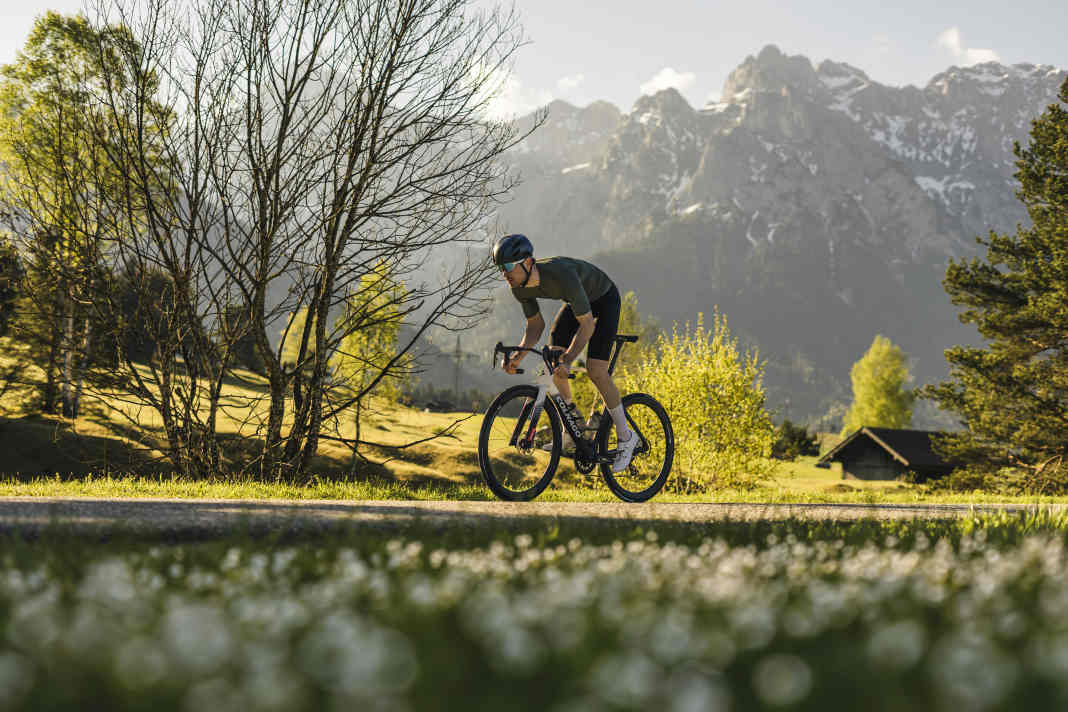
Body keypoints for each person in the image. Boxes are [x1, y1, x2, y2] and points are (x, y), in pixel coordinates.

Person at [493, 233, 637, 473]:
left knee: (596, 370)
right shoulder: (519, 287)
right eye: (500, 268)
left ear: (528, 262)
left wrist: (569, 359)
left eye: (508, 266)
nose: (504, 273)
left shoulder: (561, 274)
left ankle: (626, 437)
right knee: (553, 360)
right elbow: (535, 327)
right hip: (577, 302)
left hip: (604, 298)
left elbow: (588, 324)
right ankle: (573, 427)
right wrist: (517, 358)